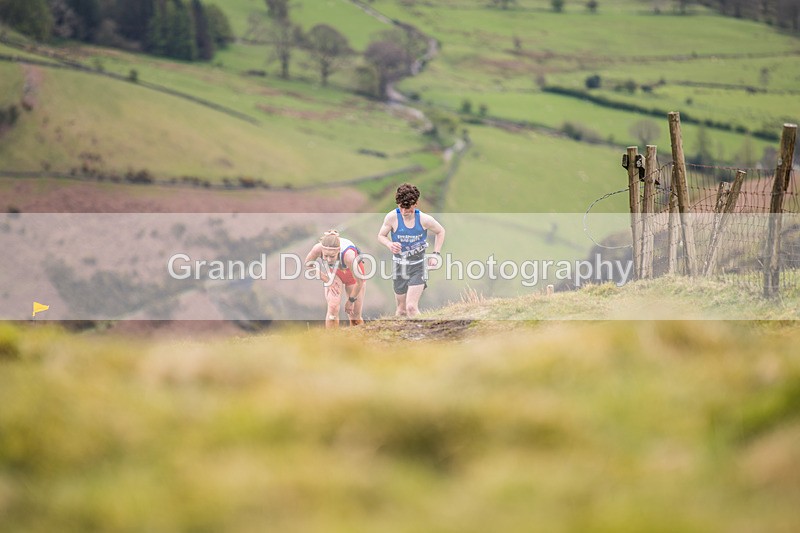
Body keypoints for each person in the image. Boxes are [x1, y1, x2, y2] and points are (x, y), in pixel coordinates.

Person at [377, 183, 445, 318]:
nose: (403, 211)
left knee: (411, 307)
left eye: (407, 207)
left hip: (418, 267)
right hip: (399, 267)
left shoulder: (424, 219)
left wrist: (436, 254)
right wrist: (389, 244)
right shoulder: (391, 217)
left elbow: (440, 231)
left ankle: (423, 335)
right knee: (401, 310)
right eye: (401, 206)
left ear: (416, 204)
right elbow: (380, 236)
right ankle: (401, 338)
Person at [304, 230, 366, 328]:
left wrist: (350, 301)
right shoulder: (317, 248)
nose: (328, 260)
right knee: (333, 306)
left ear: (338, 250)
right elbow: (308, 265)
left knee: (355, 316)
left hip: (352, 275)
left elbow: (360, 281)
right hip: (335, 273)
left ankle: (359, 340)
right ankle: (331, 339)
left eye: (332, 256)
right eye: (325, 256)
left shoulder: (349, 256)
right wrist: (328, 280)